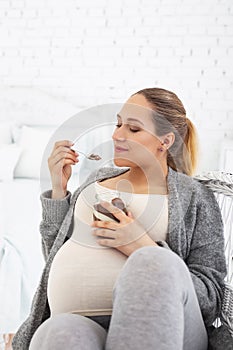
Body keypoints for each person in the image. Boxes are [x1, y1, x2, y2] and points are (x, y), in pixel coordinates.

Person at [12, 88, 227, 350]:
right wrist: (59, 190)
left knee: (151, 260)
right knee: (59, 332)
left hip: (168, 326)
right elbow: (55, 256)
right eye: (118, 124)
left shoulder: (195, 196)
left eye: (133, 129)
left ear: (166, 141)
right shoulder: (97, 179)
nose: (116, 134)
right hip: (82, 322)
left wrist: (140, 244)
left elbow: (211, 298)